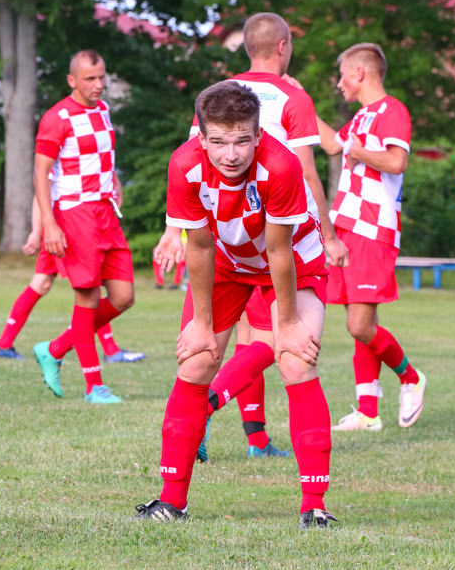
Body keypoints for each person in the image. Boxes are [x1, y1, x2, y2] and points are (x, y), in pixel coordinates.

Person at [134, 81, 336, 529]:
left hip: (292, 261)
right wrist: (202, 325)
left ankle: (314, 507)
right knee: (196, 361)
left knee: (294, 360)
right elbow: (200, 247)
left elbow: (280, 252)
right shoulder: (184, 164)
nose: (231, 154)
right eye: (219, 141)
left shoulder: (281, 166)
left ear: (259, 136)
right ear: (201, 138)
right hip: (225, 261)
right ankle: (171, 501)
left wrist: (288, 324)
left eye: (243, 139)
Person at [159, 12, 348, 461]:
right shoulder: (291, 97)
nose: (231, 151)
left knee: (255, 343)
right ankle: (235, 425)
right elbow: (304, 171)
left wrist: (172, 233)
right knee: (266, 344)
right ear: (284, 46)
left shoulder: (219, 95)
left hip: (243, 235)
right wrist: (329, 231)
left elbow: (198, 170)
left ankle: (253, 435)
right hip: (255, 235)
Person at [312, 43, 426, 432]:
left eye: (342, 73)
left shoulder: (392, 111)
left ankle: (410, 377)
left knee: (360, 325)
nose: (339, 82)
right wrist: (297, 105)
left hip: (373, 228)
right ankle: (368, 412)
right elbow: (332, 145)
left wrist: (360, 152)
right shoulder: (362, 116)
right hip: (347, 226)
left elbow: (396, 161)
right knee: (359, 318)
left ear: (360, 73)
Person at [31, 49, 136, 404]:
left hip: (106, 213)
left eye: (102, 77)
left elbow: (100, 156)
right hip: (75, 215)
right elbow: (40, 174)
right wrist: (49, 224)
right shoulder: (56, 117)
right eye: (90, 78)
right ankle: (95, 386)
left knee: (123, 297)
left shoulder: (104, 110)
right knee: (87, 297)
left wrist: (115, 180)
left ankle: (56, 347)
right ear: (72, 80)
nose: (98, 85)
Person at [0, 198, 145, 365]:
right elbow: (40, 191)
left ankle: (4, 344)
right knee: (86, 285)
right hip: (64, 227)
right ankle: (109, 351)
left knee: (44, 283)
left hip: (69, 223)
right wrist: (36, 232)